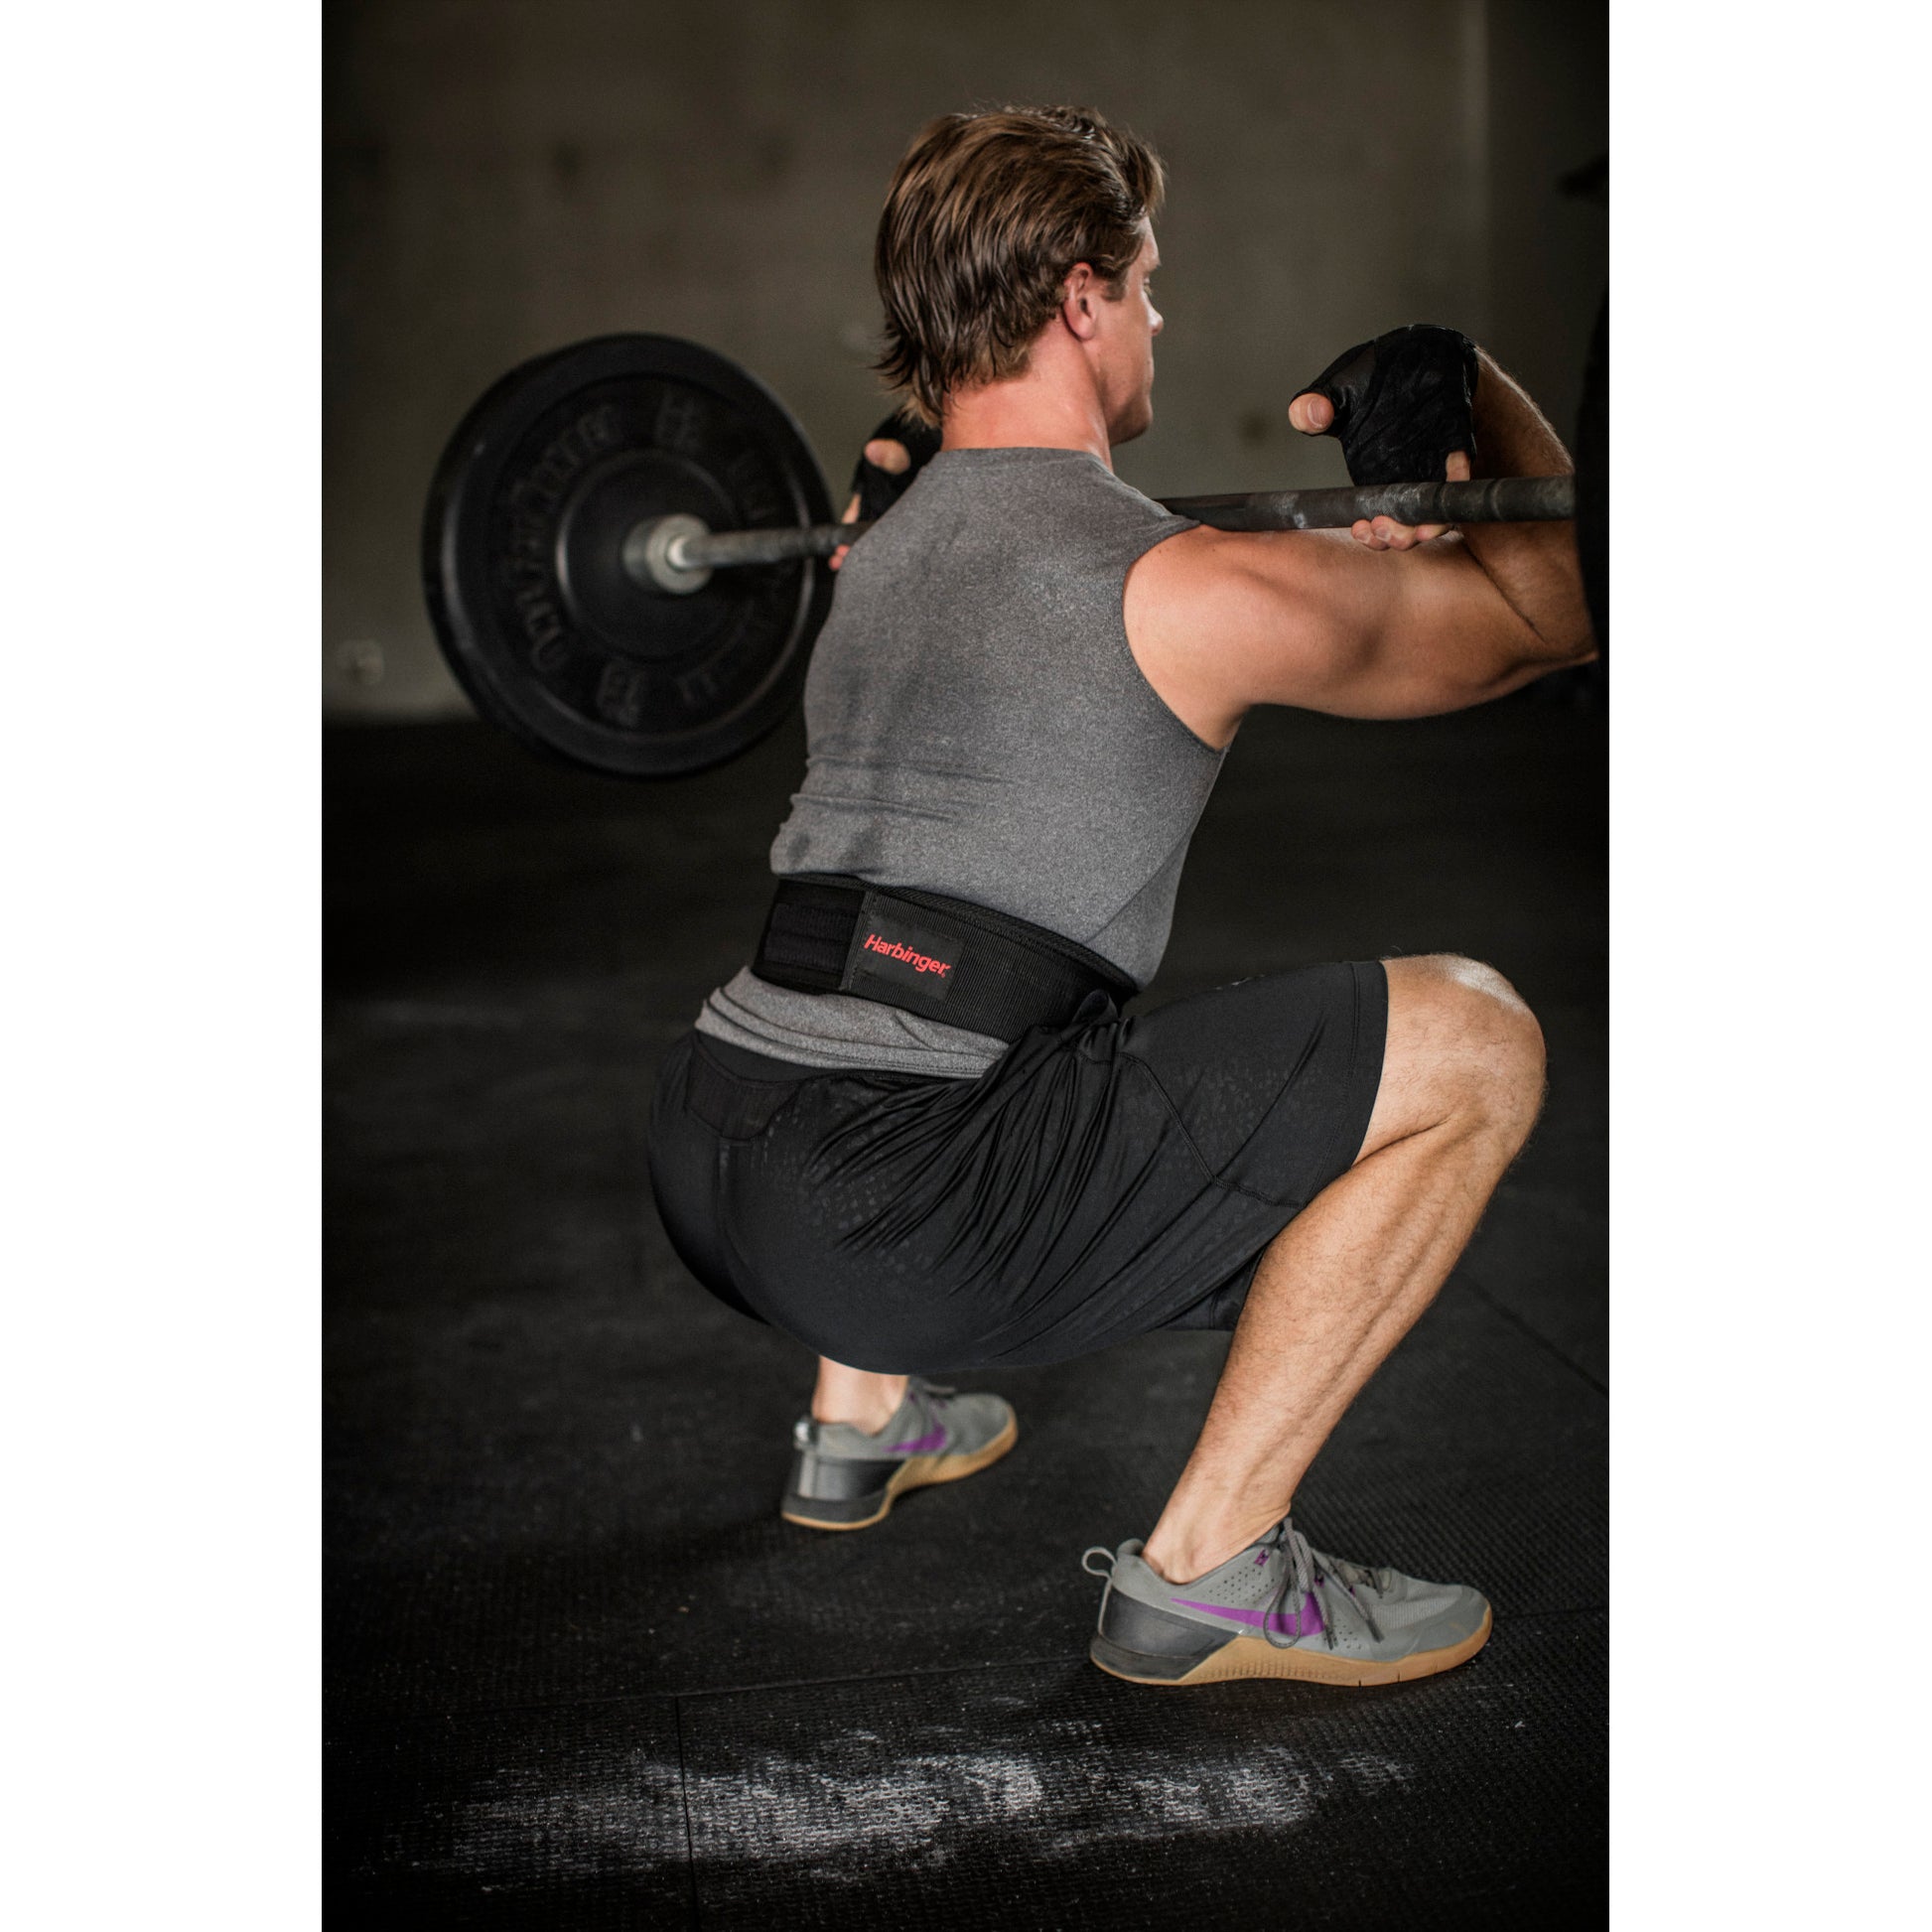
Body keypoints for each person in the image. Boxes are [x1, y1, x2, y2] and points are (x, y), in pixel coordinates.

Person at [647, 105, 1593, 1689]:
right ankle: (1210, 1566)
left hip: (708, 1146)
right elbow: (1554, 620)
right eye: (1146, 285)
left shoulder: (867, 563)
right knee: (1475, 1041)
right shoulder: (1183, 583)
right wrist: (1474, 397)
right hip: (897, 1217)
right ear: (1080, 300)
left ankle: (857, 1422)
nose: (1157, 320)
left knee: (913, 946)